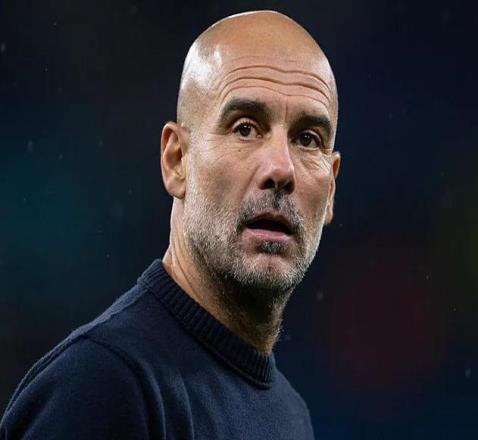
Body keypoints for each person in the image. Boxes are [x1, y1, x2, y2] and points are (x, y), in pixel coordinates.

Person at [0, 10, 340, 439]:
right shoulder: (102, 386)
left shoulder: (291, 415)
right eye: (245, 128)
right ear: (176, 160)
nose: (281, 168)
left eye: (307, 139)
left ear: (331, 190)